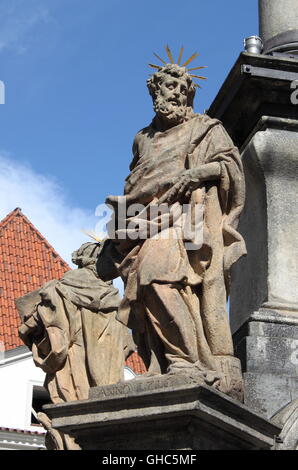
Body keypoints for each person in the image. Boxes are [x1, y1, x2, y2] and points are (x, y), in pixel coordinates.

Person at [106, 62, 246, 398]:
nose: (171, 94)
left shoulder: (206, 128)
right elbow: (137, 180)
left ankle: (188, 359)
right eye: (165, 88)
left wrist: (197, 174)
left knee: (158, 277)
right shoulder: (143, 139)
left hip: (185, 218)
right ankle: (165, 362)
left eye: (178, 89)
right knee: (142, 289)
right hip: (142, 221)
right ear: (154, 91)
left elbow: (231, 167)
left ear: (187, 95)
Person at [18, 241, 133, 448]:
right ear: (96, 260)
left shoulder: (61, 289)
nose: (118, 264)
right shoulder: (69, 289)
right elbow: (128, 344)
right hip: (98, 384)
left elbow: (31, 328)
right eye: (113, 258)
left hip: (80, 382)